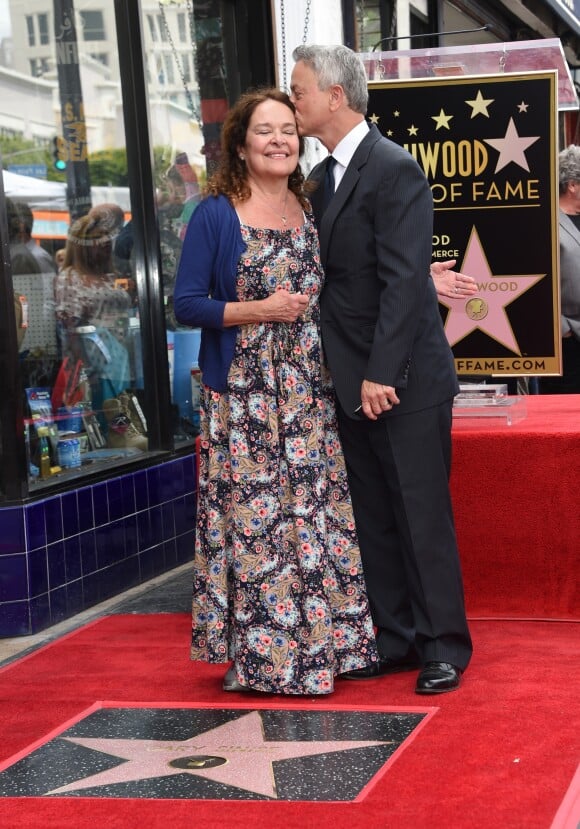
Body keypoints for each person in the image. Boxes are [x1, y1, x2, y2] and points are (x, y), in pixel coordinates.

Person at [174, 87, 378, 695]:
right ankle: (259, 654)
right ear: (240, 144)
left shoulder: (312, 203)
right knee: (253, 526)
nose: (279, 140)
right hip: (246, 396)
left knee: (313, 515)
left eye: (288, 129)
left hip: (310, 390)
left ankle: (324, 646)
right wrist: (256, 309)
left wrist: (419, 278)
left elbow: (349, 281)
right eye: (265, 130)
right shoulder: (216, 212)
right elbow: (186, 304)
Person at [290, 44, 472, 694]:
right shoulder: (321, 179)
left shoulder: (393, 167)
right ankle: (394, 639)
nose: (294, 100)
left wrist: (381, 373)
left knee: (420, 514)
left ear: (337, 96)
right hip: (350, 380)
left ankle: (442, 645)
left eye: (300, 89)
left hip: (402, 380)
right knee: (375, 515)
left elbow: (398, 282)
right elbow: (354, 274)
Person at [540, 144, 580, 393]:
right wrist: (561, 329)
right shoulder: (546, 221)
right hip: (567, 343)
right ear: (572, 184)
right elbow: (539, 282)